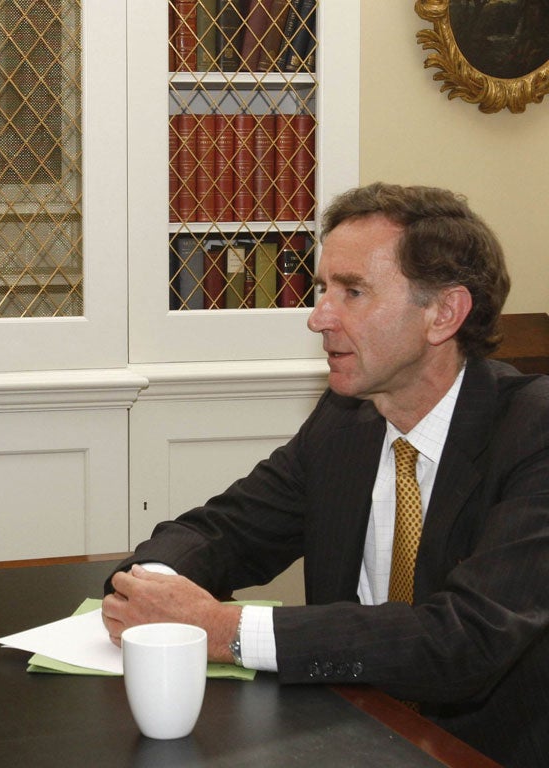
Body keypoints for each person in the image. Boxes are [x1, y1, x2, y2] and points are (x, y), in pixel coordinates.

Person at [102, 182, 547, 767]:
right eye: (322, 289)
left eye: (353, 292)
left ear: (444, 313)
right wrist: (154, 588)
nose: (318, 319)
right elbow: (226, 530)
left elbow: (461, 641)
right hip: (350, 736)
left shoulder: (532, 433)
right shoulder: (346, 421)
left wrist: (225, 628)